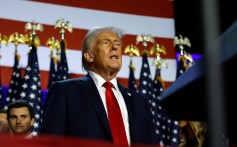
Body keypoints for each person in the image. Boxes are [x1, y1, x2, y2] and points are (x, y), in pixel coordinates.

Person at [40, 26, 157, 146]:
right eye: (106, 42)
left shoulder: (139, 102)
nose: (114, 47)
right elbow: (49, 143)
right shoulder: (65, 92)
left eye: (117, 43)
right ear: (89, 56)